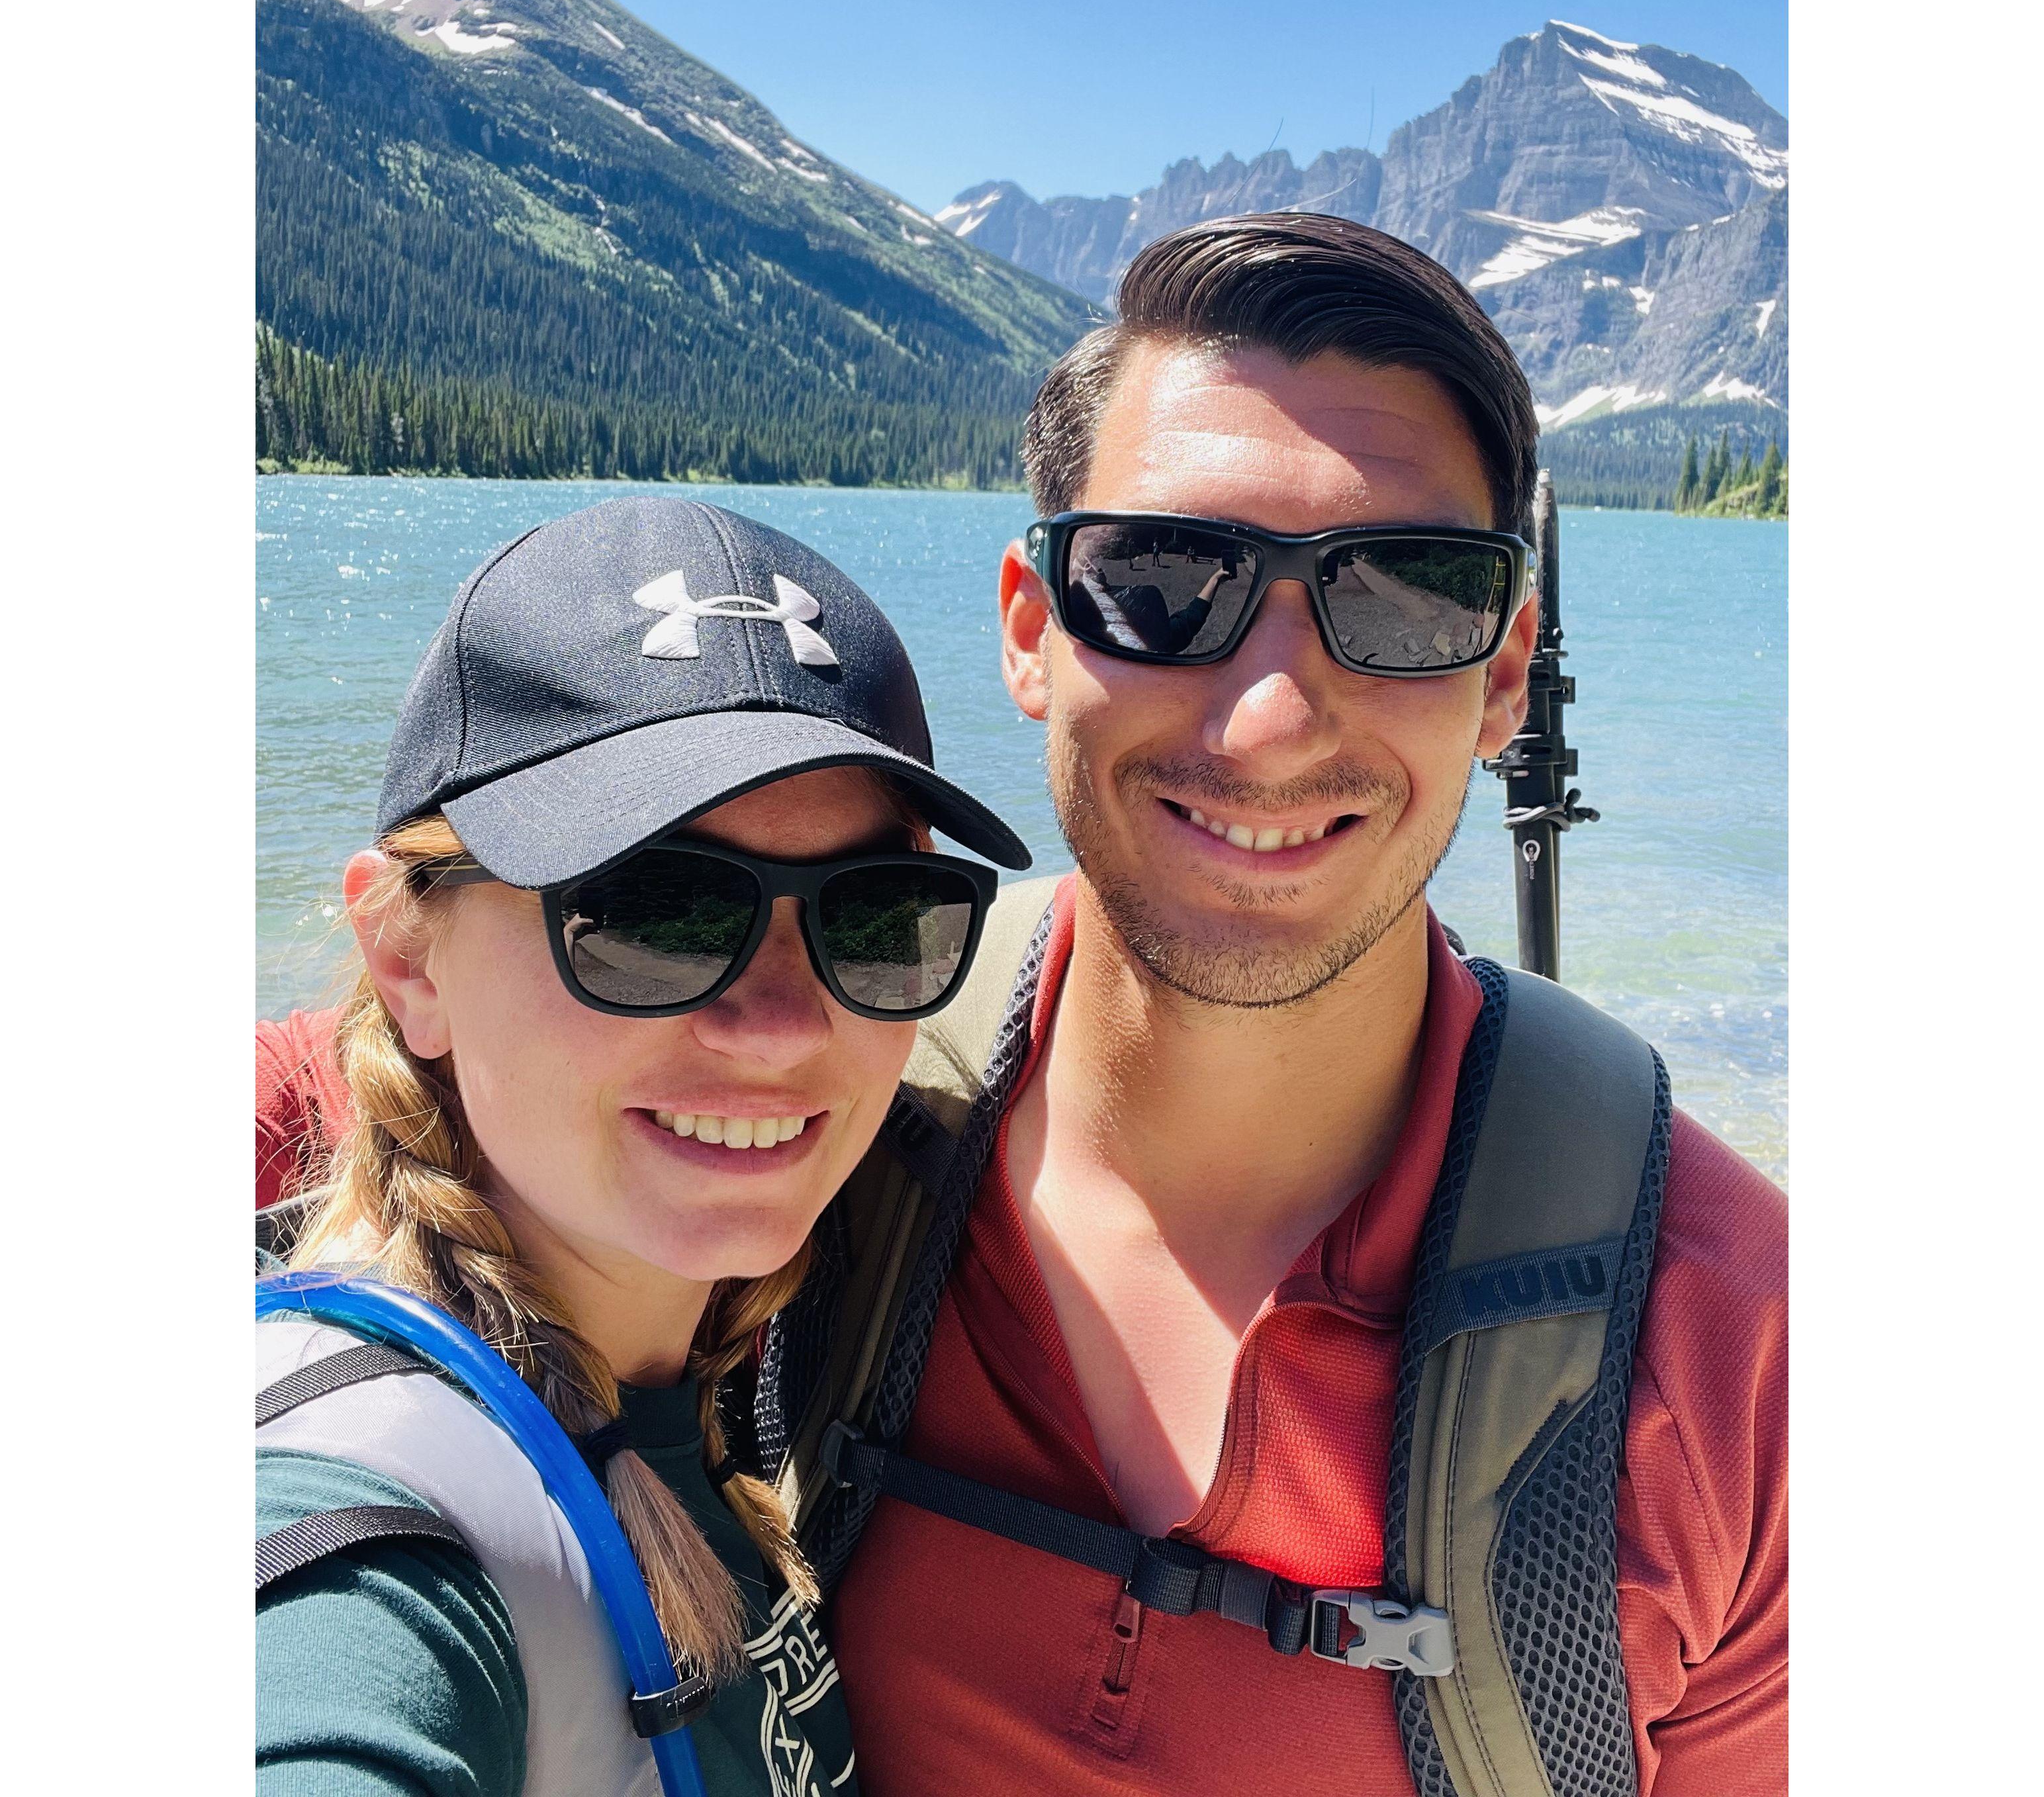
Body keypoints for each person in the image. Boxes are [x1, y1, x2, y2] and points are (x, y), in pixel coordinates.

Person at [763, 214, 1787, 1797]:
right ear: (1033, 630)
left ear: (1503, 675)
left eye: (1403, 597)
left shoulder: (1742, 1356)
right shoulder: (790, 1074)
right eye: (1164, 583)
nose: (1268, 718)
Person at [255, 495, 1029, 1797]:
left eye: (876, 912)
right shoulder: (359, 1530)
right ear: (405, 953)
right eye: (654, 910)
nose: (782, 1024)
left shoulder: (713, 1390)